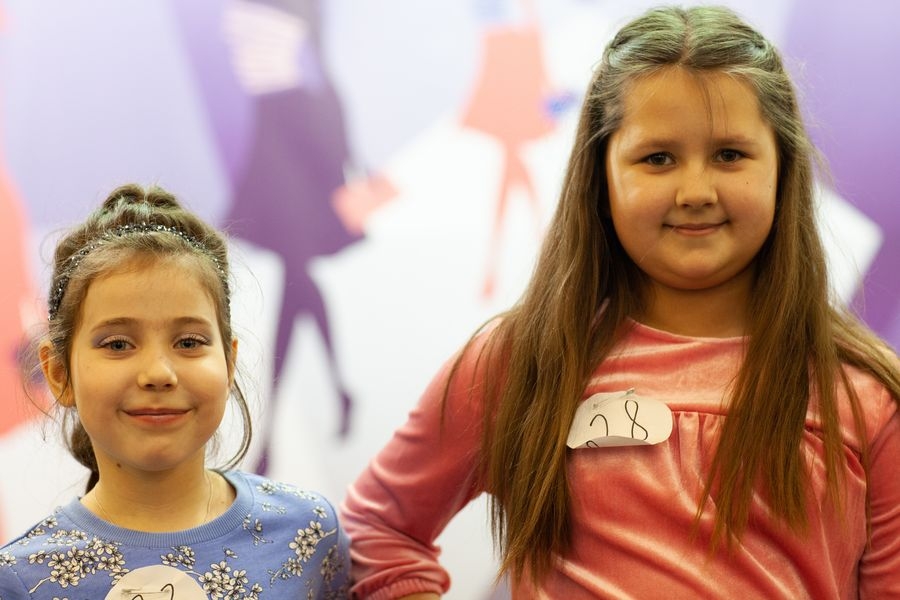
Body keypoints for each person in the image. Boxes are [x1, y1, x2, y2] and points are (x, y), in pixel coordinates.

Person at [340, 5, 900, 599]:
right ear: (601, 174)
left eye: (729, 155)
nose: (695, 191)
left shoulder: (864, 395)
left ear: (784, 168)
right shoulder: (524, 360)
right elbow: (377, 528)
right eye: (657, 158)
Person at [0, 184, 350, 599]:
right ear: (59, 374)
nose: (158, 373)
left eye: (188, 342)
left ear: (229, 362)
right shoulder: (21, 579)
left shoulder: (310, 536)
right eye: (118, 344)